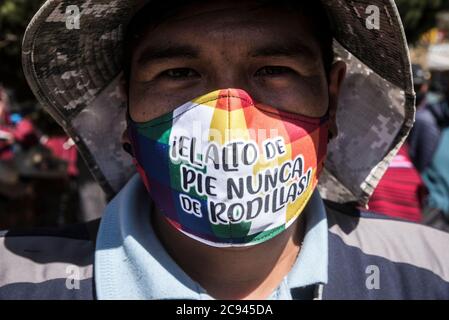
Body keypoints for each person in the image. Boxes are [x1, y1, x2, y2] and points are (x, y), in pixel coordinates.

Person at [1, 0, 449, 300]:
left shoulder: (430, 273)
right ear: (124, 106)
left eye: (274, 69)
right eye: (178, 73)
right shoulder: (16, 278)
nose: (228, 115)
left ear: (331, 97)